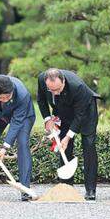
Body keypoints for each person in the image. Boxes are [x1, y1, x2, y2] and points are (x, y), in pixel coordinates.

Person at [37, 68, 100, 200]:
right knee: (64, 148)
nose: (55, 93)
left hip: (86, 113)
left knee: (88, 146)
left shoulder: (78, 87)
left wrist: (68, 136)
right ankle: (66, 186)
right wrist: (48, 119)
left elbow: (79, 116)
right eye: (51, 90)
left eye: (57, 90)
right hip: (62, 112)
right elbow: (41, 100)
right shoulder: (42, 79)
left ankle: (90, 189)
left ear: (64, 81)